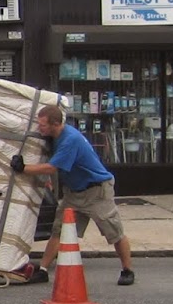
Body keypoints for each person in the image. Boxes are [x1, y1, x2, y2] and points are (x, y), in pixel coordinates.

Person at [12, 103, 135, 286]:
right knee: (59, 230)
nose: (40, 127)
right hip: (74, 193)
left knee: (114, 232)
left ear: (55, 124)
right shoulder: (55, 137)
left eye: (43, 125)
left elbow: (52, 167)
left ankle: (127, 270)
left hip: (96, 191)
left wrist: (23, 168)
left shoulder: (70, 140)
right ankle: (44, 270)